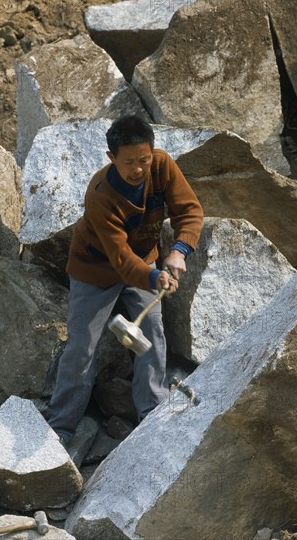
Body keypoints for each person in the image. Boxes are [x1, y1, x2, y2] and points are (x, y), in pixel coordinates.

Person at [48, 115, 203, 447]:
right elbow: (119, 259)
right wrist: (154, 276)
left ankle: (152, 413)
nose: (138, 168)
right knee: (81, 347)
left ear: (152, 152)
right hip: (95, 270)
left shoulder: (161, 166)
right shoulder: (100, 193)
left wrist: (178, 251)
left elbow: (189, 211)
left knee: (152, 332)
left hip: (144, 260)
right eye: (129, 161)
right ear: (111, 158)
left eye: (143, 159)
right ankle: (62, 427)